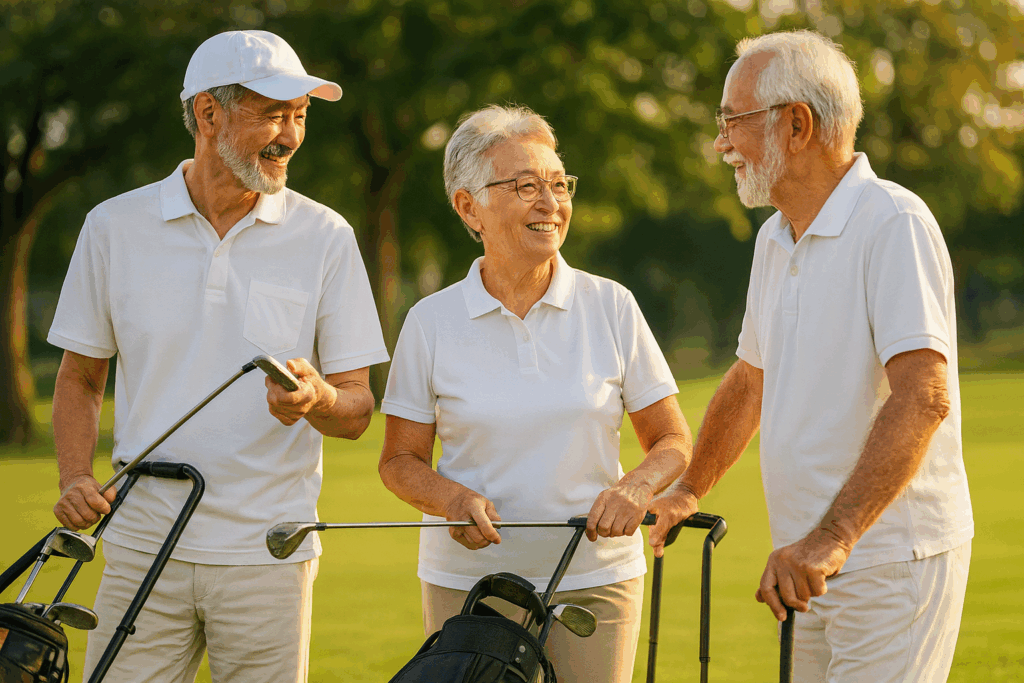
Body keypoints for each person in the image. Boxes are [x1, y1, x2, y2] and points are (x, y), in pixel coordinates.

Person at [48, 30, 389, 683]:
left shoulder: (327, 236)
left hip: (268, 552)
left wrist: (318, 399)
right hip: (141, 544)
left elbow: (357, 407)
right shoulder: (113, 227)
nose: (290, 134)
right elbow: (81, 378)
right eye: (272, 113)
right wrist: (73, 477)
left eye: (300, 116)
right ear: (208, 114)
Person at [648, 30, 973, 682]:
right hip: (805, 564)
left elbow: (923, 396)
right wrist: (687, 489)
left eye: (731, 122)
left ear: (796, 125)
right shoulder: (775, 238)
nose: (721, 144)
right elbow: (749, 381)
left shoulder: (893, 223)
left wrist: (832, 539)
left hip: (884, 558)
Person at [378, 104, 692, 683]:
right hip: (470, 592)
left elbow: (672, 438)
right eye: (525, 186)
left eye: (558, 184)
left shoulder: (612, 305)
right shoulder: (430, 321)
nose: (550, 202)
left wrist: (636, 487)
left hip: (596, 584)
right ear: (468, 206)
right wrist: (449, 500)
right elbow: (399, 461)